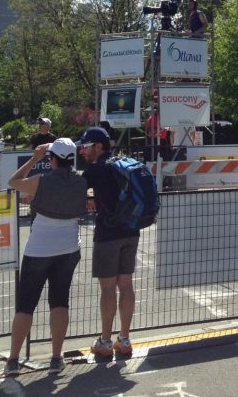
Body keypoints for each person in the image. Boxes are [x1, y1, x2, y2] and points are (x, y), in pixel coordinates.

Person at [4, 138, 87, 376]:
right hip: (69, 248)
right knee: (60, 302)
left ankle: (13, 360)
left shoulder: (41, 181)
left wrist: (34, 159)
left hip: (39, 250)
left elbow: (13, 181)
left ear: (52, 159)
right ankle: (56, 358)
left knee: (26, 306)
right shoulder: (81, 182)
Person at [78, 126, 138, 359]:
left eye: (85, 146)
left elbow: (75, 191)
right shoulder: (124, 163)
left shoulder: (96, 169)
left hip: (108, 233)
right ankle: (124, 339)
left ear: (98, 146)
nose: (82, 151)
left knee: (107, 288)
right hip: (132, 230)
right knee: (126, 285)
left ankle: (105, 341)